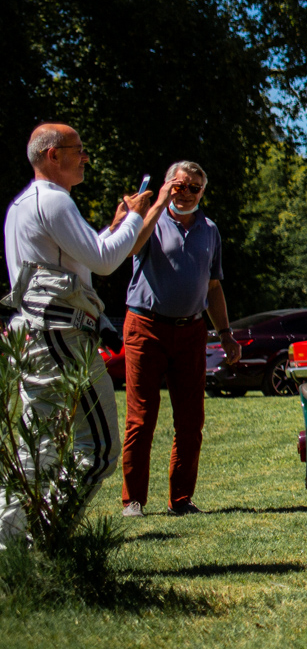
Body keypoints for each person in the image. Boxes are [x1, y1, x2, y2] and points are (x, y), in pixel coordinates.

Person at [2, 124, 157, 543]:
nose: (86, 156)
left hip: (36, 335)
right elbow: (105, 262)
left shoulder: (22, 205)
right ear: (53, 155)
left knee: (36, 449)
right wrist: (138, 217)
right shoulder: (54, 201)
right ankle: (45, 537)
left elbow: (83, 260)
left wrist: (118, 226)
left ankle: (10, 543)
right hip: (61, 336)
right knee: (100, 449)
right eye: (79, 149)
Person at [120, 160, 239, 517]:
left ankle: (181, 500)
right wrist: (155, 205)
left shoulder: (210, 230)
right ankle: (133, 500)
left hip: (191, 331)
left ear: (202, 193)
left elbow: (214, 287)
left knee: (190, 420)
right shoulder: (150, 222)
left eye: (194, 188)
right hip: (146, 327)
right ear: (168, 185)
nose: (185, 194)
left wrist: (226, 334)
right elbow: (128, 248)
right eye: (180, 186)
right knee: (141, 417)